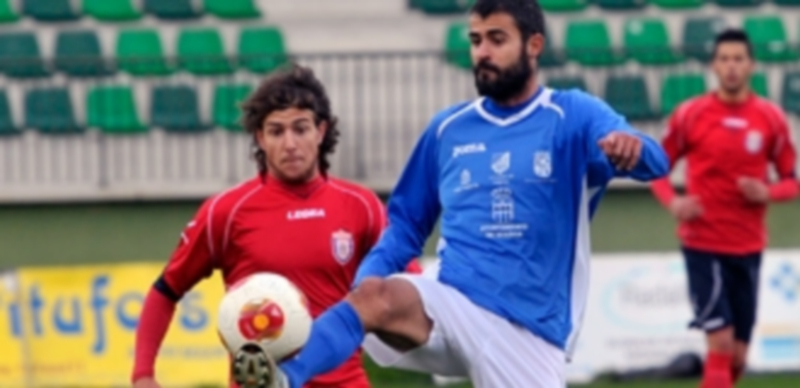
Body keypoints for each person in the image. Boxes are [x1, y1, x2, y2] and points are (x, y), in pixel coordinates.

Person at [232, 1, 670, 387]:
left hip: (526, 328)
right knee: (374, 296)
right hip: (451, 303)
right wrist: (368, 278)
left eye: (496, 39)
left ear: (534, 45)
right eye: (476, 40)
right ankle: (283, 376)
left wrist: (631, 148)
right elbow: (405, 223)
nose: (482, 51)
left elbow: (657, 160)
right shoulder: (448, 129)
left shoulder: (572, 114)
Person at [130, 65, 420, 388]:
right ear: (260, 138)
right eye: (276, 131)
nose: (290, 143)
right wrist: (143, 375)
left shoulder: (361, 206)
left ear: (320, 131)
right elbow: (165, 291)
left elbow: (413, 285)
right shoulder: (225, 212)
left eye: (301, 128)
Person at [651, 29, 798, 388]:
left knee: (738, 357)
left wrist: (767, 191)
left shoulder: (771, 119)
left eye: (738, 59)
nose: (731, 67)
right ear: (714, 65)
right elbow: (657, 168)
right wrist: (675, 202)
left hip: (747, 247)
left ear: (751, 65)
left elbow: (792, 180)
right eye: (724, 59)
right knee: (720, 343)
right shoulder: (691, 114)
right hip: (702, 244)